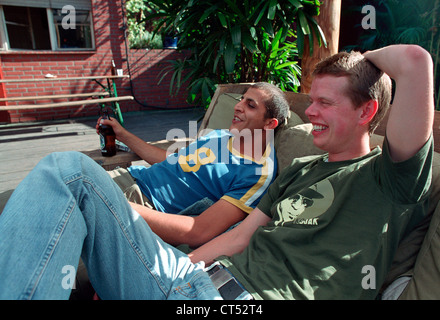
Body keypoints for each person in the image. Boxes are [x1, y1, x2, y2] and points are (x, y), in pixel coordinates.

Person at [0, 45, 434, 300]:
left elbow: (415, 62)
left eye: (325, 102)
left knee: (72, 176)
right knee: (66, 169)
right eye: (311, 100)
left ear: (368, 111)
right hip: (196, 285)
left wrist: (363, 62)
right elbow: (239, 237)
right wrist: (173, 271)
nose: (312, 111)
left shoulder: (390, 177)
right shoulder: (299, 168)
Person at [0, 82, 289, 248]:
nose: (238, 106)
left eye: (251, 105)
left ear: (270, 123)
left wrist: (116, 205)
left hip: (142, 208)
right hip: (128, 178)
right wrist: (124, 134)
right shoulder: (219, 135)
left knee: (59, 170)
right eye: (241, 99)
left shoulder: (256, 174)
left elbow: (200, 231)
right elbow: (169, 160)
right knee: (29, 193)